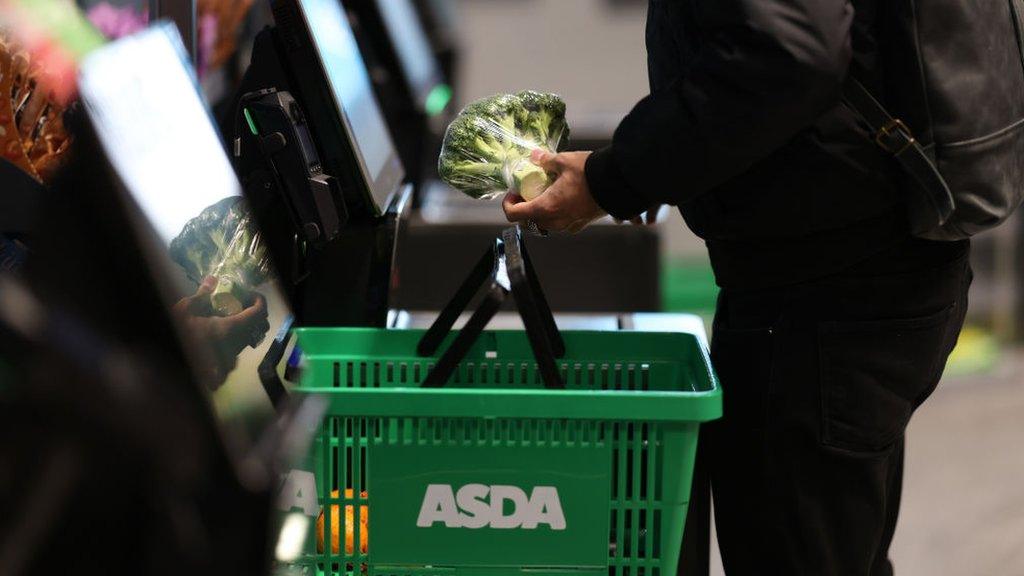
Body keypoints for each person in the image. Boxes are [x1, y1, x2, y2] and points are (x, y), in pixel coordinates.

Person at [503, 2, 971, 574]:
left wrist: (615, 178)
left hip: (824, 292)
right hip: (873, 260)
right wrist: (661, 164)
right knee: (844, 546)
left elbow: (788, 51)